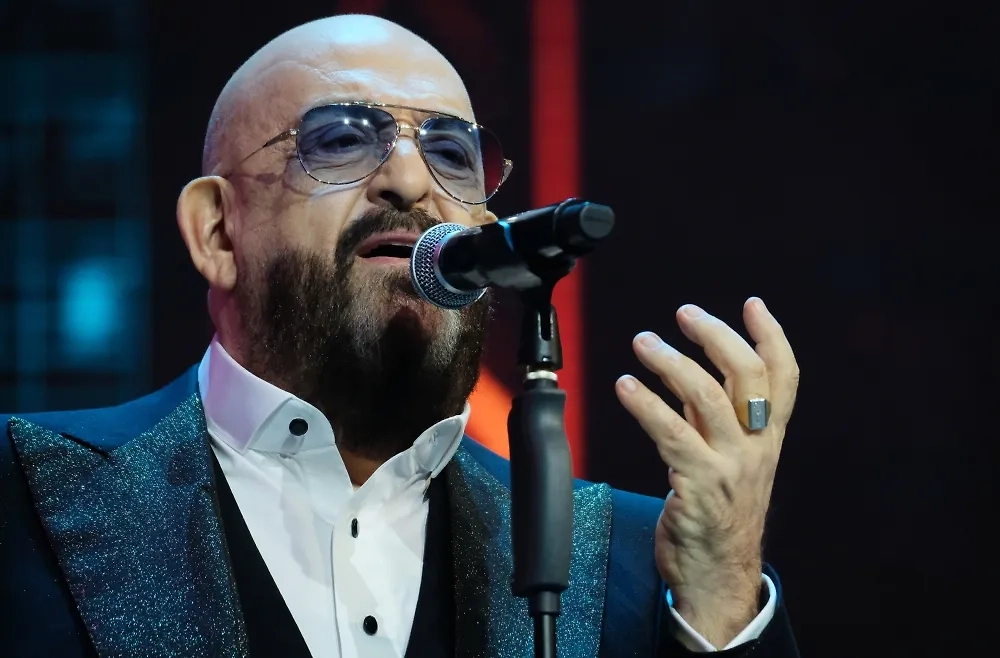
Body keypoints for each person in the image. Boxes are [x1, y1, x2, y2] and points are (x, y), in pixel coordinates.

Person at [0, 14, 801, 658]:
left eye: (451, 153)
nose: (412, 182)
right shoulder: (22, 498)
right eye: (343, 140)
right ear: (217, 230)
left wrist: (721, 593)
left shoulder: (629, 559)